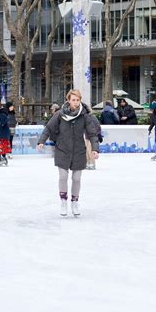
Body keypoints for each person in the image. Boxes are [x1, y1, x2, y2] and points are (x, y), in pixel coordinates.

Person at [37, 89, 99, 217]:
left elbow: (92, 133)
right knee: (63, 177)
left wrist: (95, 148)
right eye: (73, 100)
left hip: (78, 151)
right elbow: (48, 128)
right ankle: (63, 201)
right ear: (68, 100)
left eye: (78, 100)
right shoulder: (60, 114)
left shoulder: (85, 115)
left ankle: (75, 202)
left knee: (76, 178)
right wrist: (41, 141)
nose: (76, 102)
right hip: (62, 150)